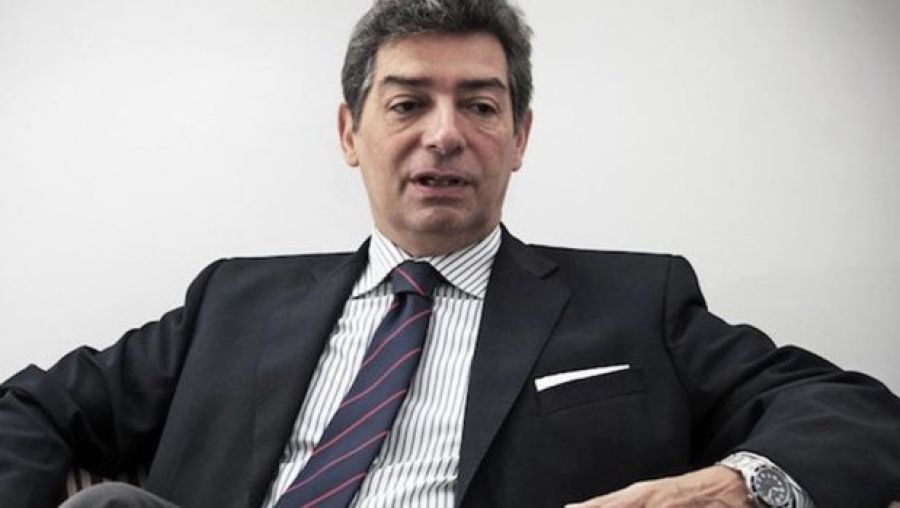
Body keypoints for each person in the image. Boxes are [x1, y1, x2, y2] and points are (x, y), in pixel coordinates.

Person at [1, 0, 899, 507]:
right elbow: (30, 410)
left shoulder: (637, 301)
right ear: (350, 133)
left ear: (519, 137)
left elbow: (856, 412)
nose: (444, 135)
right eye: (407, 104)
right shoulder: (233, 302)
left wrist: (734, 488)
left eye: (479, 104)